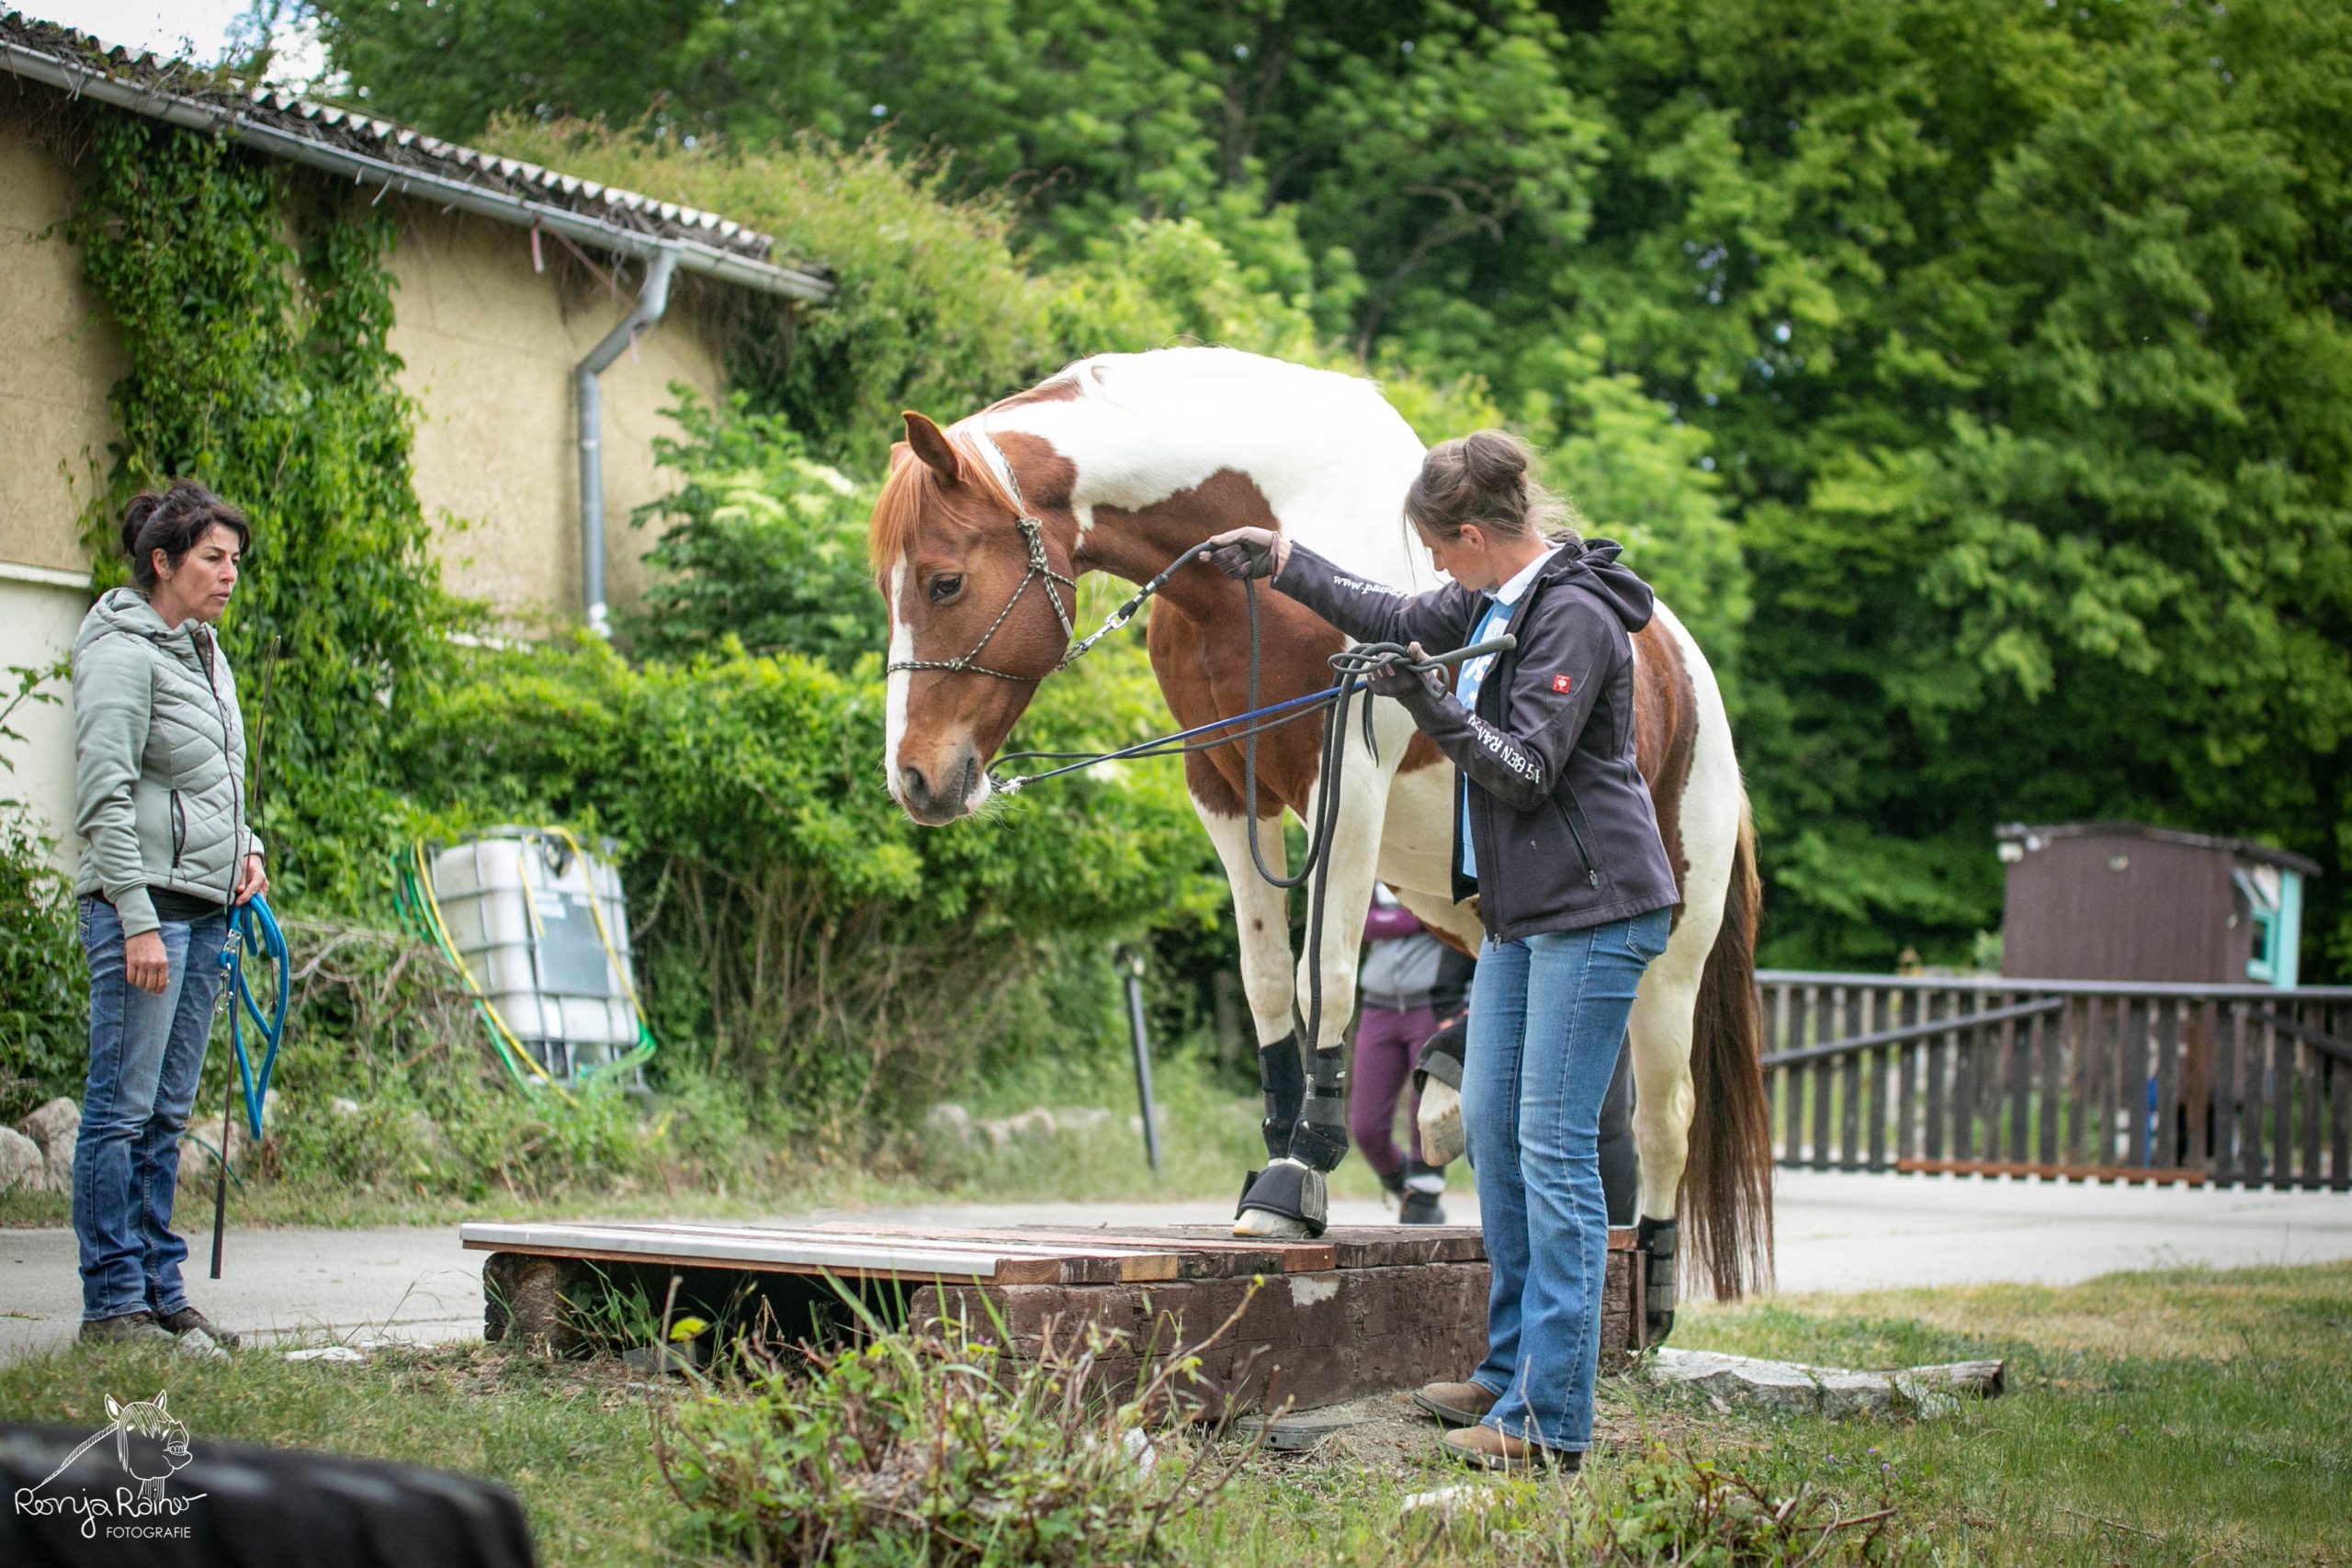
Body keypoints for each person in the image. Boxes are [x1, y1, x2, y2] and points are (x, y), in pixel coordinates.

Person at [1205, 430, 1677, 1473]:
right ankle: (1510, 1373)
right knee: (1500, 1139)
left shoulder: (1571, 616)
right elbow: (1390, 612)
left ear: (1472, 535)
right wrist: (1284, 561)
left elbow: (1519, 771)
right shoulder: (1490, 599)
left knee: (1551, 1151)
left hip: (1595, 911)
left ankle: (1551, 1421)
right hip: (1523, 915)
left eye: (1438, 553)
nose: (1433, 575)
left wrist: (1421, 696)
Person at [70, 480, 266, 1354]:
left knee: (165, 1117)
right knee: (118, 1112)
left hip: (207, 912)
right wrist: (138, 919)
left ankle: (160, 1294)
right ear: (163, 561)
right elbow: (106, 799)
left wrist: (246, 848)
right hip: (139, 913)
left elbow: (213, 774)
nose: (229, 574)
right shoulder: (121, 651)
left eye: (234, 561)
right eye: (212, 558)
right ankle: (111, 1305)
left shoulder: (206, 651)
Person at [1353, 886, 1453, 1224]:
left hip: (1427, 1004)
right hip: (1377, 1005)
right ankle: (1401, 1186)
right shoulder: (1373, 867)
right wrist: (1412, 920)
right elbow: (1360, 924)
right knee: (1366, 1128)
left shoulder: (1428, 864)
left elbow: (1444, 917)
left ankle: (1424, 1197)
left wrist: (1388, 921)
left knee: (1423, 1114)